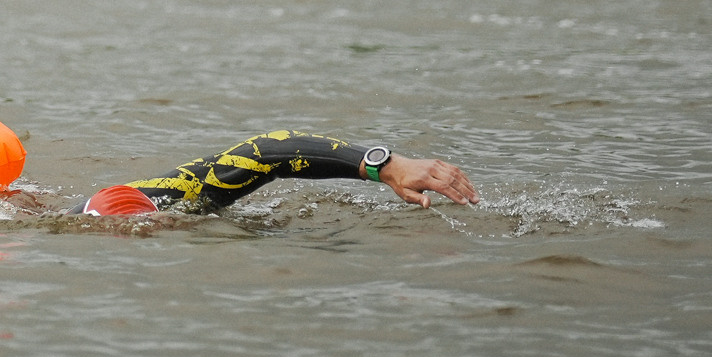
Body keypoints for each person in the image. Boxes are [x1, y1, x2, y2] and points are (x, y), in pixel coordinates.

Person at [80, 130, 479, 216]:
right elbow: (262, 154)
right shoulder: (108, 209)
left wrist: (384, 164)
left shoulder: (104, 208)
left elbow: (261, 154)